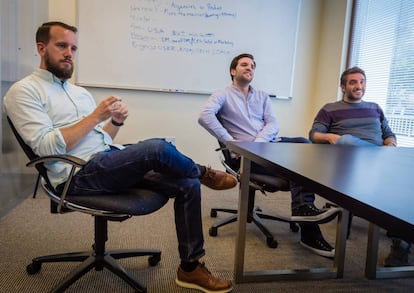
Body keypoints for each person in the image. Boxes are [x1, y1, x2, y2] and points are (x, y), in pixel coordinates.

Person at [3, 21, 236, 293]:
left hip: (105, 161)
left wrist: (114, 122)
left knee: (186, 184)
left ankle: (190, 268)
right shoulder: (24, 91)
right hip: (76, 175)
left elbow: (100, 139)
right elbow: (44, 147)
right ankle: (204, 172)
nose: (69, 53)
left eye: (74, 48)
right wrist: (95, 117)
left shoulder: (79, 93)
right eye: (62, 46)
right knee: (158, 148)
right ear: (41, 48)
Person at [198, 53, 340, 258]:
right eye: (244, 64)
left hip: (267, 147)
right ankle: (308, 229)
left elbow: (272, 124)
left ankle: (303, 211)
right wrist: (230, 141)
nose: (250, 68)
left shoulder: (262, 96)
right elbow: (204, 116)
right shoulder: (222, 95)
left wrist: (258, 143)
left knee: (304, 144)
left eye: (253, 66)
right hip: (246, 157)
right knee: (297, 167)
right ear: (233, 71)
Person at [309, 66, 412, 267]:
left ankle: (402, 244)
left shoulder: (375, 108)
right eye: (353, 82)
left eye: (362, 81)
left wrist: (390, 145)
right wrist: (332, 137)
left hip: (380, 161)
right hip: (350, 165)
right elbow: (314, 135)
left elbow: (389, 134)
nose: (359, 86)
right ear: (343, 86)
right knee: (347, 140)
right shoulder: (329, 109)